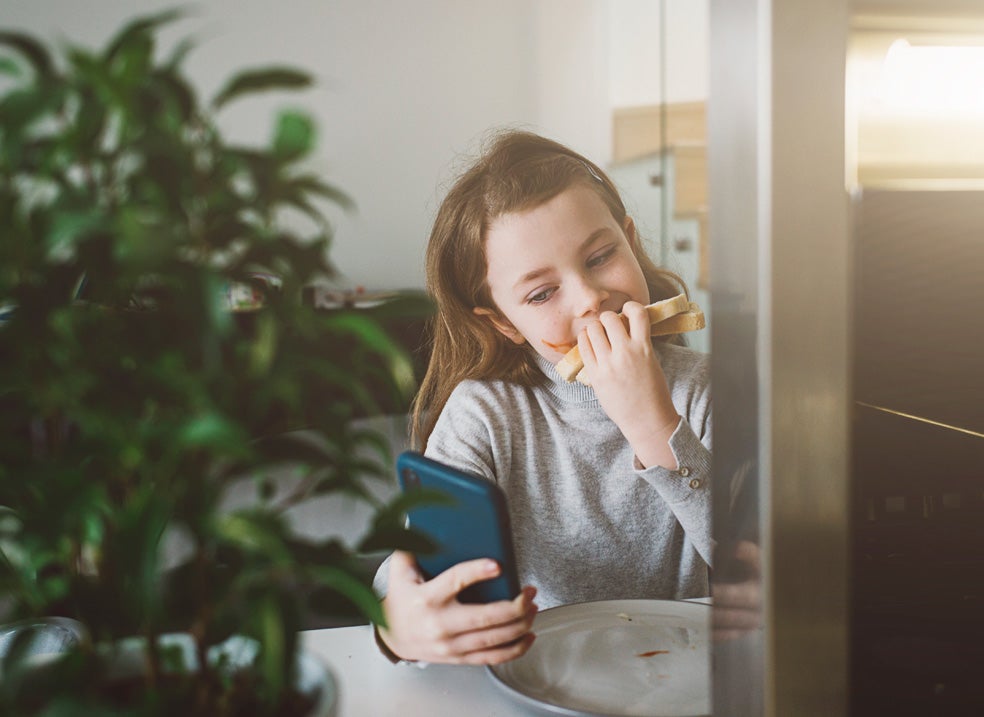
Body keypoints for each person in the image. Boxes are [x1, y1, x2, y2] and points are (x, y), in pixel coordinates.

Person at [373, 129, 712, 665]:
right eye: (541, 293)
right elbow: (408, 577)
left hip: (687, 671)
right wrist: (398, 629)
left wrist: (651, 423)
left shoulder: (703, 390)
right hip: (536, 674)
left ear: (630, 240)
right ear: (504, 323)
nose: (589, 298)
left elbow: (769, 572)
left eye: (600, 256)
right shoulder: (483, 415)